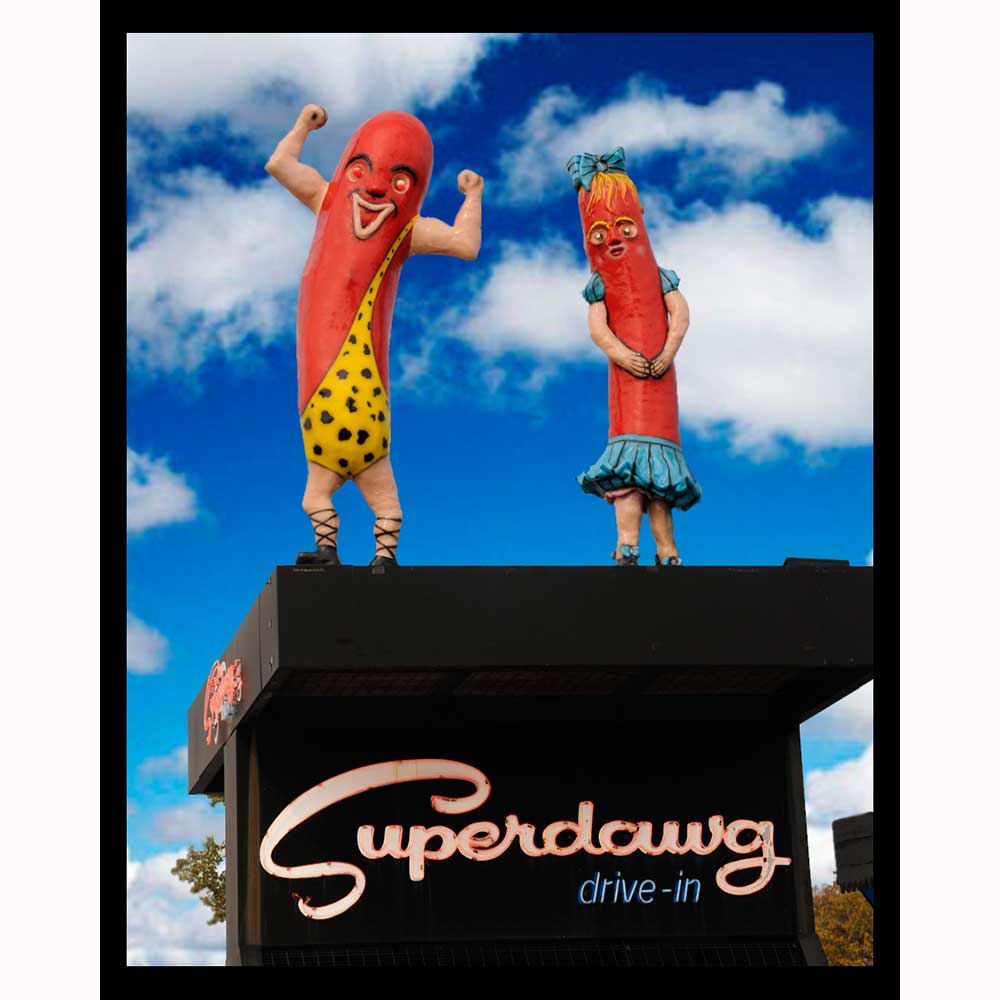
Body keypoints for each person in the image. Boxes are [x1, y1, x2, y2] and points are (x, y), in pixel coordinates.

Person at [266, 104, 484, 566]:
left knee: (321, 495)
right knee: (363, 497)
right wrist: (472, 196)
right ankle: (377, 556)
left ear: (412, 192)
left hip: (333, 408)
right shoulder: (331, 202)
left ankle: (345, 552)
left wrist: (304, 127)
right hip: (350, 410)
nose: (375, 188)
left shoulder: (397, 228)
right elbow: (279, 165)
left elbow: (466, 245)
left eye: (399, 183)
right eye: (360, 171)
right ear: (346, 170)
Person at [568, 147, 701, 567]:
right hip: (627, 405)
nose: (613, 240)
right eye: (599, 234)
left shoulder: (658, 277)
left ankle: (667, 550)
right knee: (628, 483)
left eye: (625, 228)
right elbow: (599, 329)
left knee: (658, 488)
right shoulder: (601, 283)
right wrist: (624, 355)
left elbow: (680, 314)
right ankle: (629, 544)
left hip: (660, 408)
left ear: (639, 223)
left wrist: (667, 350)